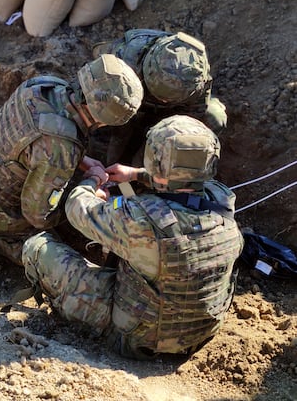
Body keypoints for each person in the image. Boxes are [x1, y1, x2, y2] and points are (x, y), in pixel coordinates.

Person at [22, 115, 244, 359]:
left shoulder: (140, 221)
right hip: (200, 336)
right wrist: (137, 175)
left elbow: (77, 208)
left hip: (136, 341)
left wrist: (92, 180)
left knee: (37, 247)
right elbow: (186, 183)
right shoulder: (223, 202)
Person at [0, 54, 144, 265]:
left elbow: (33, 140)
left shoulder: (45, 85)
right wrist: (90, 188)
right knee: (51, 255)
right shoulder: (61, 148)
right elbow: (39, 216)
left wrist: (82, 161)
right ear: (103, 118)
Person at [89, 28, 227, 165]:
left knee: (214, 117)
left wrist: (147, 162)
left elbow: (192, 117)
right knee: (115, 127)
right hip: (128, 98)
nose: (163, 100)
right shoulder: (127, 56)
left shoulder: (195, 79)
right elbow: (94, 77)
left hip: (170, 112)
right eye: (161, 96)